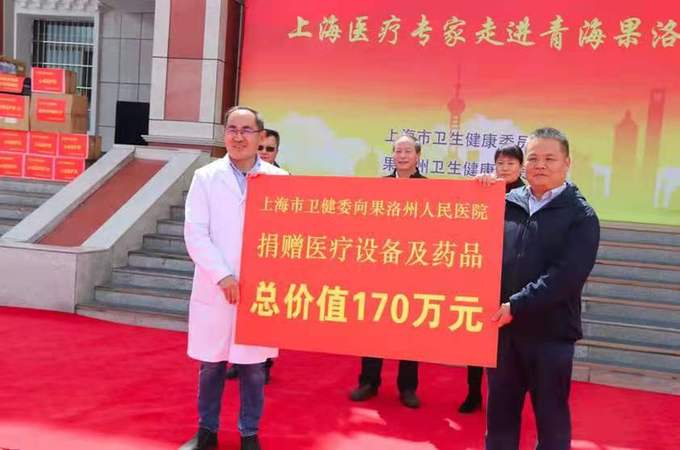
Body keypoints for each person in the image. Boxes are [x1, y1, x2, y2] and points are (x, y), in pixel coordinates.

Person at [483, 127, 600, 450]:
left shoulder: (581, 216)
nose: (540, 165)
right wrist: (476, 194)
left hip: (551, 336)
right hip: (504, 334)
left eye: (550, 158)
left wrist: (516, 305)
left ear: (567, 163)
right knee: (499, 421)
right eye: (533, 158)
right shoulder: (506, 203)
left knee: (551, 423)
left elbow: (566, 277)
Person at [180, 106, 288, 450]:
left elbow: (286, 237)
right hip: (216, 287)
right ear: (224, 133)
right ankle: (207, 432)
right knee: (211, 364)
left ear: (260, 137)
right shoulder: (205, 177)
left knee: (253, 368)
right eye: (232, 129)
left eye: (246, 130)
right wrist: (223, 275)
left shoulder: (279, 180)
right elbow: (195, 233)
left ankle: (249, 434)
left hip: (259, 289)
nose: (238, 136)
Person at [348, 134, 425, 409]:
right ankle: (368, 382)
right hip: (381, 268)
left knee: (410, 330)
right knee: (374, 327)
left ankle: (408, 387)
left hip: (413, 269)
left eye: (407, 151)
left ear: (417, 156)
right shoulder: (379, 187)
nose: (402, 156)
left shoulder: (430, 189)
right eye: (398, 151)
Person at [459, 144, 525, 414]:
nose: (505, 168)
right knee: (477, 340)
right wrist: (478, 187)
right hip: (483, 275)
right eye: (501, 163)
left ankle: (506, 400)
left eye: (511, 163)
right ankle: (473, 393)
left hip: (513, 279)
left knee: (509, 345)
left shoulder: (528, 196)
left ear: (521, 166)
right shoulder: (488, 189)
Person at [227, 128, 282, 384]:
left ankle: (263, 365)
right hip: (239, 257)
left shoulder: (284, 179)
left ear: (277, 152)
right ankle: (238, 362)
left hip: (268, 258)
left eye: (270, 149)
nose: (265, 153)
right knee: (239, 314)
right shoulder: (237, 177)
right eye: (261, 148)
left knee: (264, 314)